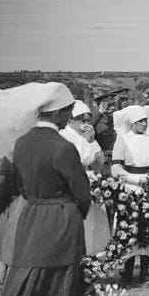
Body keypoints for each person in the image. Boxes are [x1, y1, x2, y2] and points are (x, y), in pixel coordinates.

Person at [0, 83, 90, 296]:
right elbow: (81, 193)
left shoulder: (21, 143)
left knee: (25, 282)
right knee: (60, 287)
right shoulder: (63, 147)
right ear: (56, 113)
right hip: (60, 220)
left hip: (29, 218)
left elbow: (13, 183)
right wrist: (75, 211)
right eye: (67, 112)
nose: (68, 117)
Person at [111, 105, 149, 283]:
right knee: (130, 227)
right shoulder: (123, 139)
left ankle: (144, 272)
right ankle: (127, 273)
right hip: (131, 186)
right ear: (132, 123)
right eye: (140, 121)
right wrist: (132, 180)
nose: (144, 124)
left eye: (145, 121)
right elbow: (116, 166)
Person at [60, 100, 111, 256]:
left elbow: (100, 161)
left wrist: (92, 141)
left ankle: (94, 256)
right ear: (70, 120)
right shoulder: (64, 136)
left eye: (89, 120)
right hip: (74, 182)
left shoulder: (87, 136)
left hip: (92, 181)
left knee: (94, 223)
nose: (87, 124)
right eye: (83, 120)